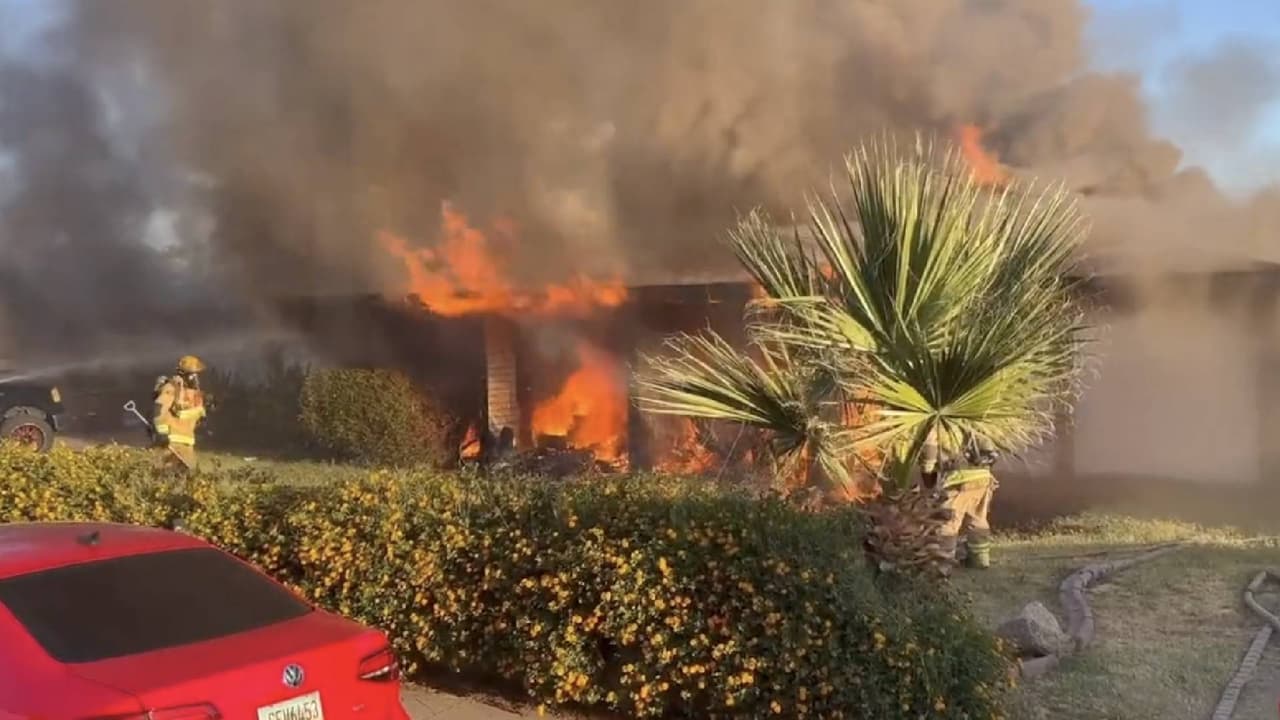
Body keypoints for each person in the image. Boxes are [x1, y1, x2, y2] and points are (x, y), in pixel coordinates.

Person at [152, 355, 208, 472]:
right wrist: (162, 433)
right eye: (193, 374)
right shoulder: (172, 388)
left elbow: (189, 416)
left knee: (190, 478)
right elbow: (159, 409)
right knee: (166, 477)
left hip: (187, 444)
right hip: (171, 443)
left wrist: (201, 420)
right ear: (185, 374)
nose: (196, 377)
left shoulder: (193, 394)